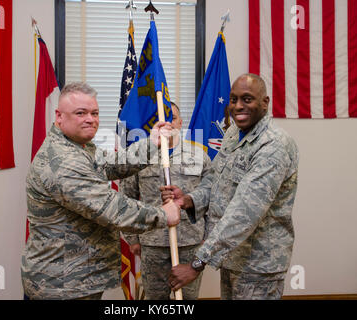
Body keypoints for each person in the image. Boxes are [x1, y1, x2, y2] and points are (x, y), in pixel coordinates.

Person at [21, 82, 180, 300]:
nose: (90, 119)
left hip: (75, 279)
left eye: (94, 113)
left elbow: (109, 164)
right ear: (59, 117)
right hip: (62, 286)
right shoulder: (63, 161)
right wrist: (164, 215)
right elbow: (112, 210)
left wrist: (152, 143)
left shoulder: (78, 147)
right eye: (80, 113)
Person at [162, 73, 299, 300]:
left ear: (265, 103)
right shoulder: (234, 133)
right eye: (233, 99)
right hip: (233, 258)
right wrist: (189, 200)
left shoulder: (273, 145)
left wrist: (197, 263)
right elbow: (216, 180)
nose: (237, 106)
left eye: (247, 99)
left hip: (259, 267)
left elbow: (244, 212)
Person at [121, 103, 211, 300]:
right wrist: (133, 239)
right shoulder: (139, 155)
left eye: (173, 118)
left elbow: (211, 197)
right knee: (155, 300)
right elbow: (125, 198)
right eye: (163, 119)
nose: (168, 123)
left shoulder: (199, 156)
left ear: (180, 123)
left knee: (187, 300)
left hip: (190, 242)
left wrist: (207, 237)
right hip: (152, 243)